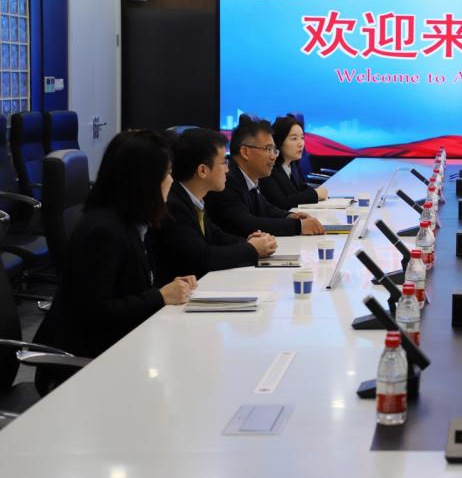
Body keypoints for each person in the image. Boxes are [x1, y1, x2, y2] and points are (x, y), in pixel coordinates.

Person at [34, 130, 198, 360]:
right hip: (89, 360)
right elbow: (95, 313)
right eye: (167, 173)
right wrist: (160, 296)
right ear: (145, 181)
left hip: (122, 344)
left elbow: (128, 287)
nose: (171, 180)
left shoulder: (131, 222)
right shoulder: (103, 231)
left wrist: (170, 287)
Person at [151, 128, 277, 285]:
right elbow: (205, 258)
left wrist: (248, 241)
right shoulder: (174, 206)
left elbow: (216, 236)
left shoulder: (192, 198)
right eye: (224, 162)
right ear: (203, 170)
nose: (227, 169)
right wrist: (252, 249)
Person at [204, 119, 325, 237]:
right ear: (245, 152)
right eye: (268, 149)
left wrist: (289, 216)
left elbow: (266, 208)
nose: (273, 157)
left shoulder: (247, 177)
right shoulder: (226, 180)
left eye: (274, 150)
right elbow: (247, 224)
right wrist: (299, 226)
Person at [259, 116, 328, 211]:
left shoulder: (292, 164)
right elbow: (281, 203)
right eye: (294, 138)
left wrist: (315, 193)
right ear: (279, 141)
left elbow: (301, 188)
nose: (301, 144)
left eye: (302, 138)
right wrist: (315, 194)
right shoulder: (269, 169)